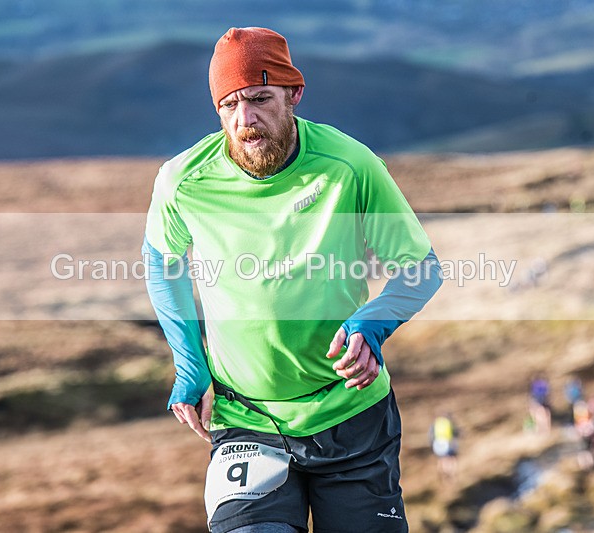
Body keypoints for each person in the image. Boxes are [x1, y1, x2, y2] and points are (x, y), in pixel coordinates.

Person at [142, 27, 443, 533]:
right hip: (247, 418)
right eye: (229, 106)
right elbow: (161, 262)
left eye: (260, 99)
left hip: (352, 418)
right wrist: (189, 362)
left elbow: (420, 269)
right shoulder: (183, 181)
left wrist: (372, 324)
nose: (245, 121)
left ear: (293, 93)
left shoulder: (349, 165)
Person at [429, 412, 459, 483]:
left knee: (441, 459)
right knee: (450, 458)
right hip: (447, 442)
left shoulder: (436, 423)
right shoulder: (448, 422)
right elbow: (455, 432)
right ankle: (451, 475)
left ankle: (442, 474)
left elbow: (431, 434)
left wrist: (432, 444)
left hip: (437, 443)